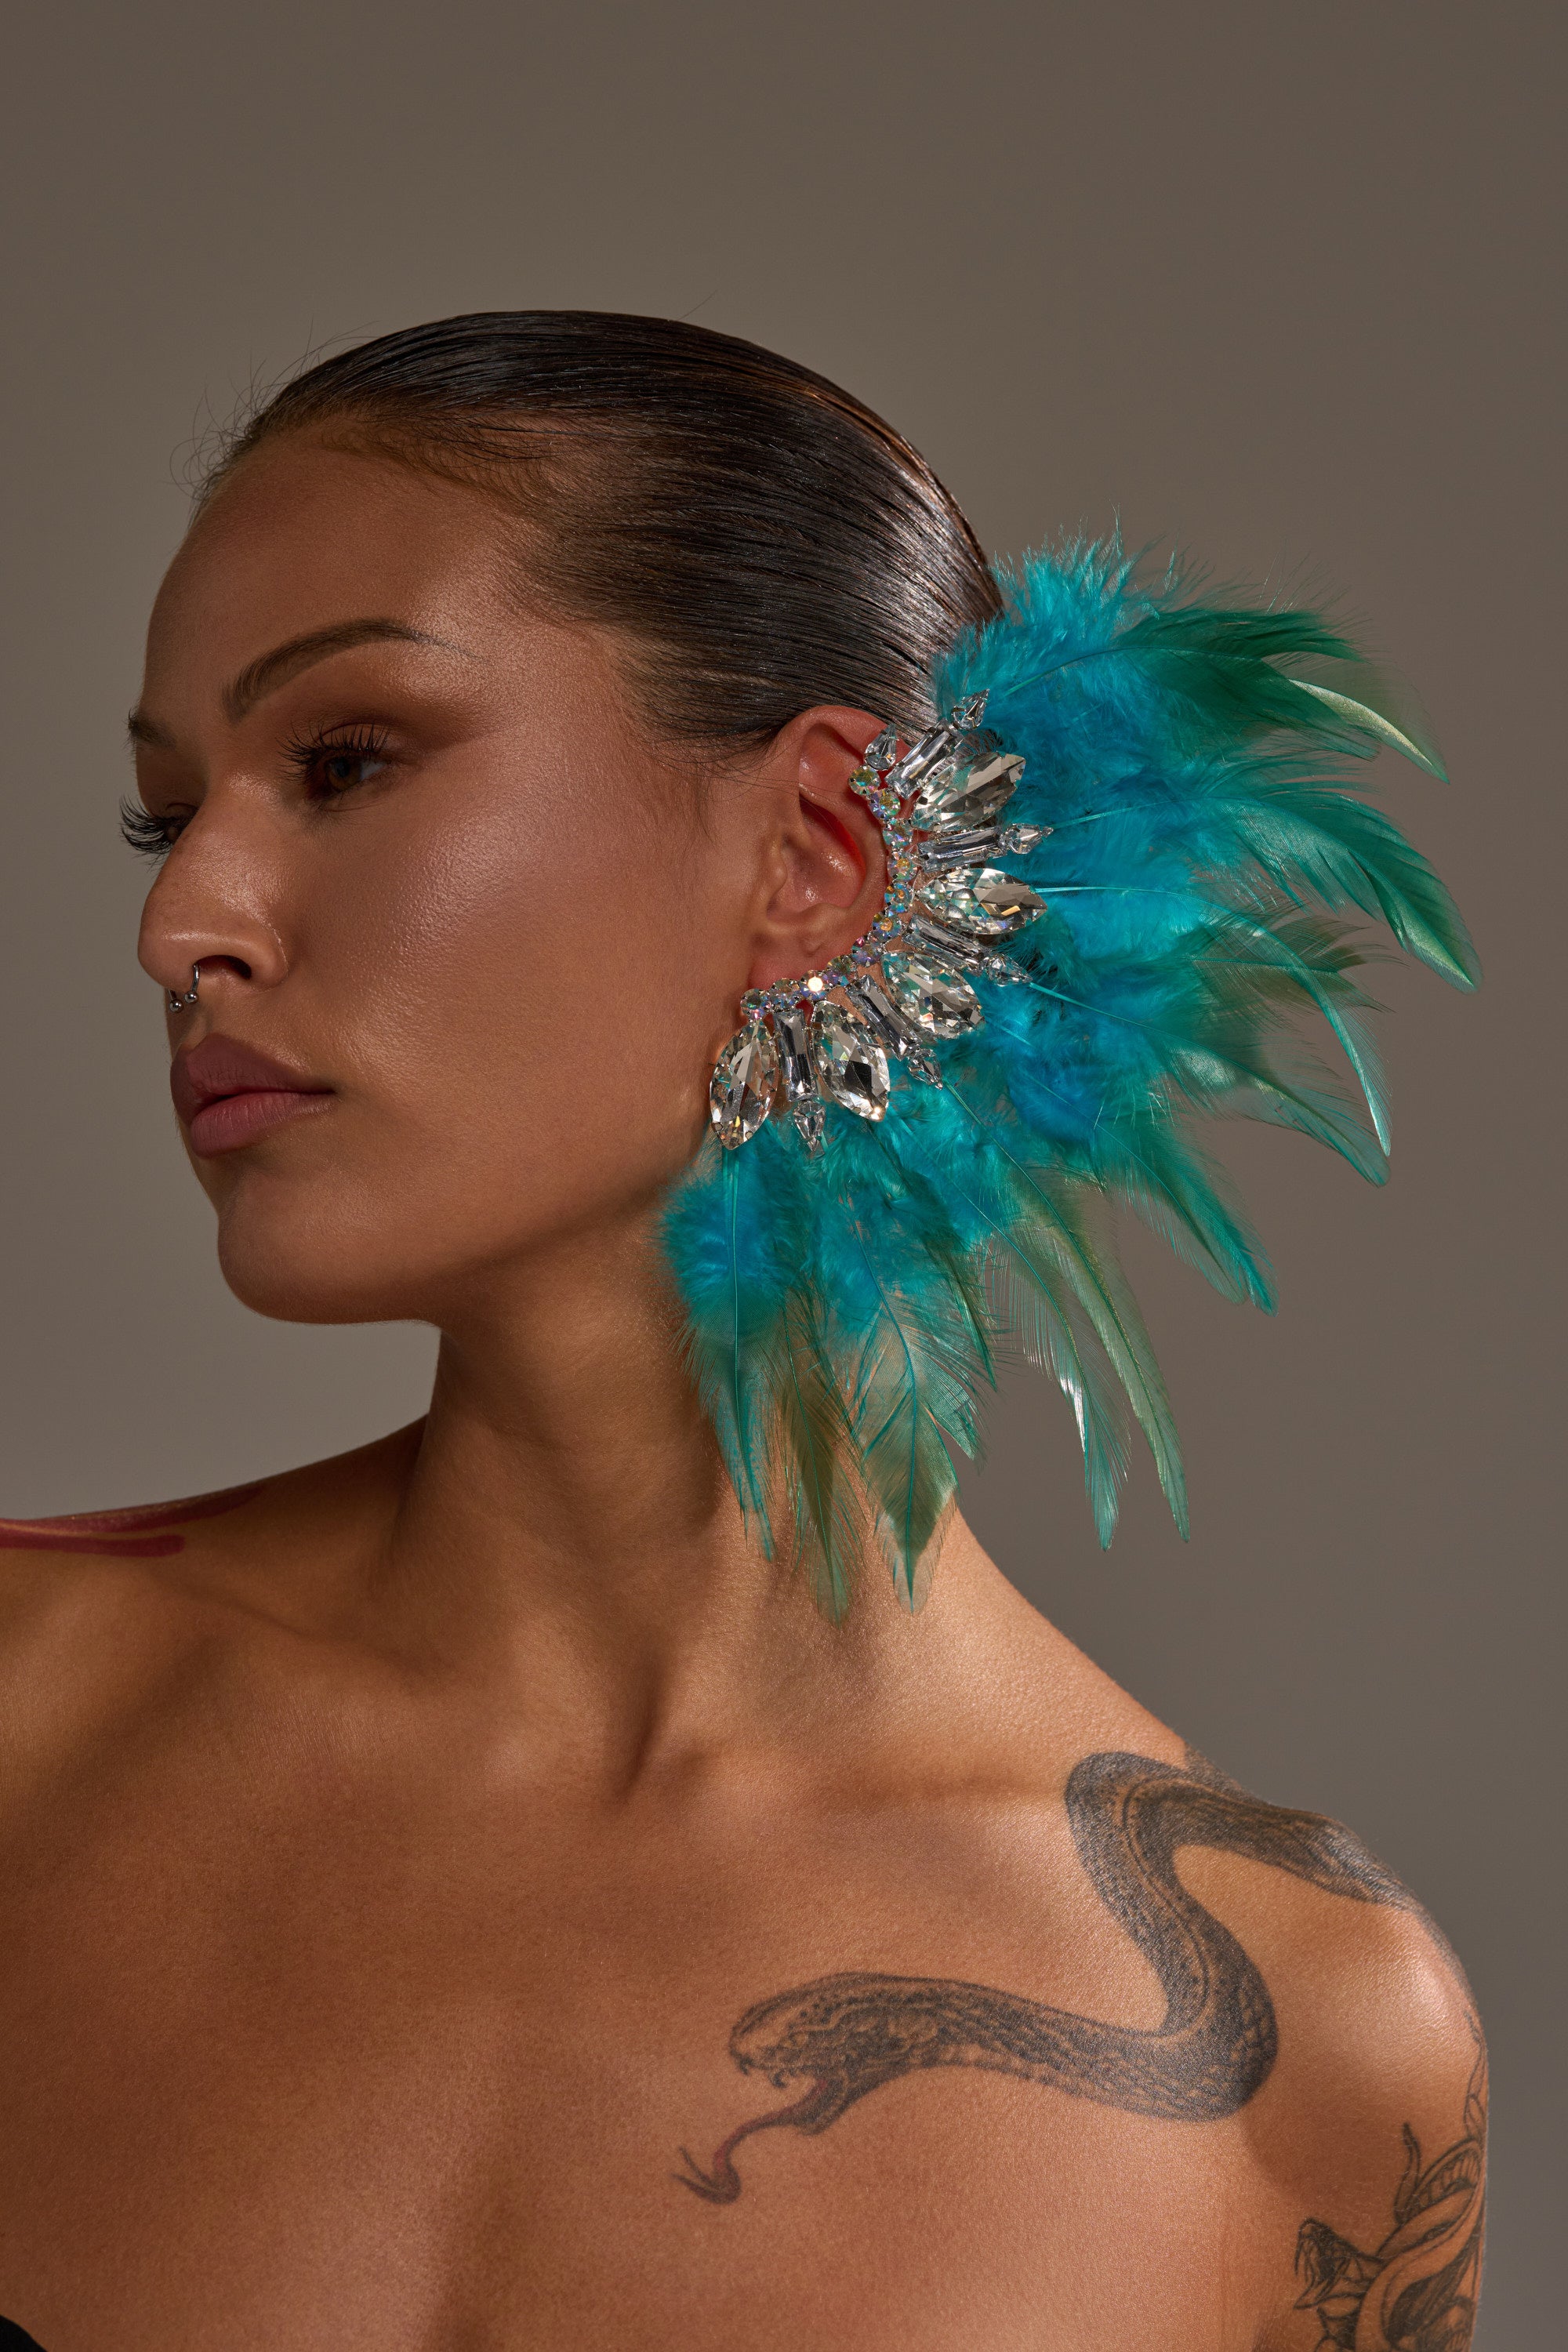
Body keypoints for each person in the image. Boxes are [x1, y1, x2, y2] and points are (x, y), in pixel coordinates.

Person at [0, 314, 1483, 2350]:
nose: (188, 927)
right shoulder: (27, 1720)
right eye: (171, 820)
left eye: (344, 761)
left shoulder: (1295, 2021)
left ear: (814, 861)